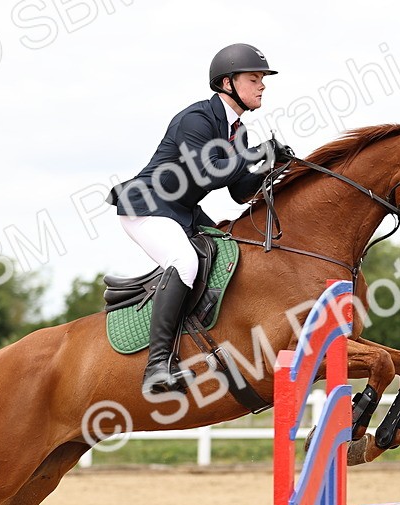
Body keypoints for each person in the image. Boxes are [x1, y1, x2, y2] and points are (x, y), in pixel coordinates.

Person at [109, 43, 290, 395]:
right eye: (254, 79)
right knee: (185, 261)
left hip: (183, 210)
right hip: (147, 206)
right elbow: (207, 174)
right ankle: (157, 368)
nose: (262, 86)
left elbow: (239, 192)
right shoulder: (198, 119)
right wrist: (255, 154)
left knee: (231, 249)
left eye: (262, 80)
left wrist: (272, 167)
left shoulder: (238, 132)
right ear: (227, 83)